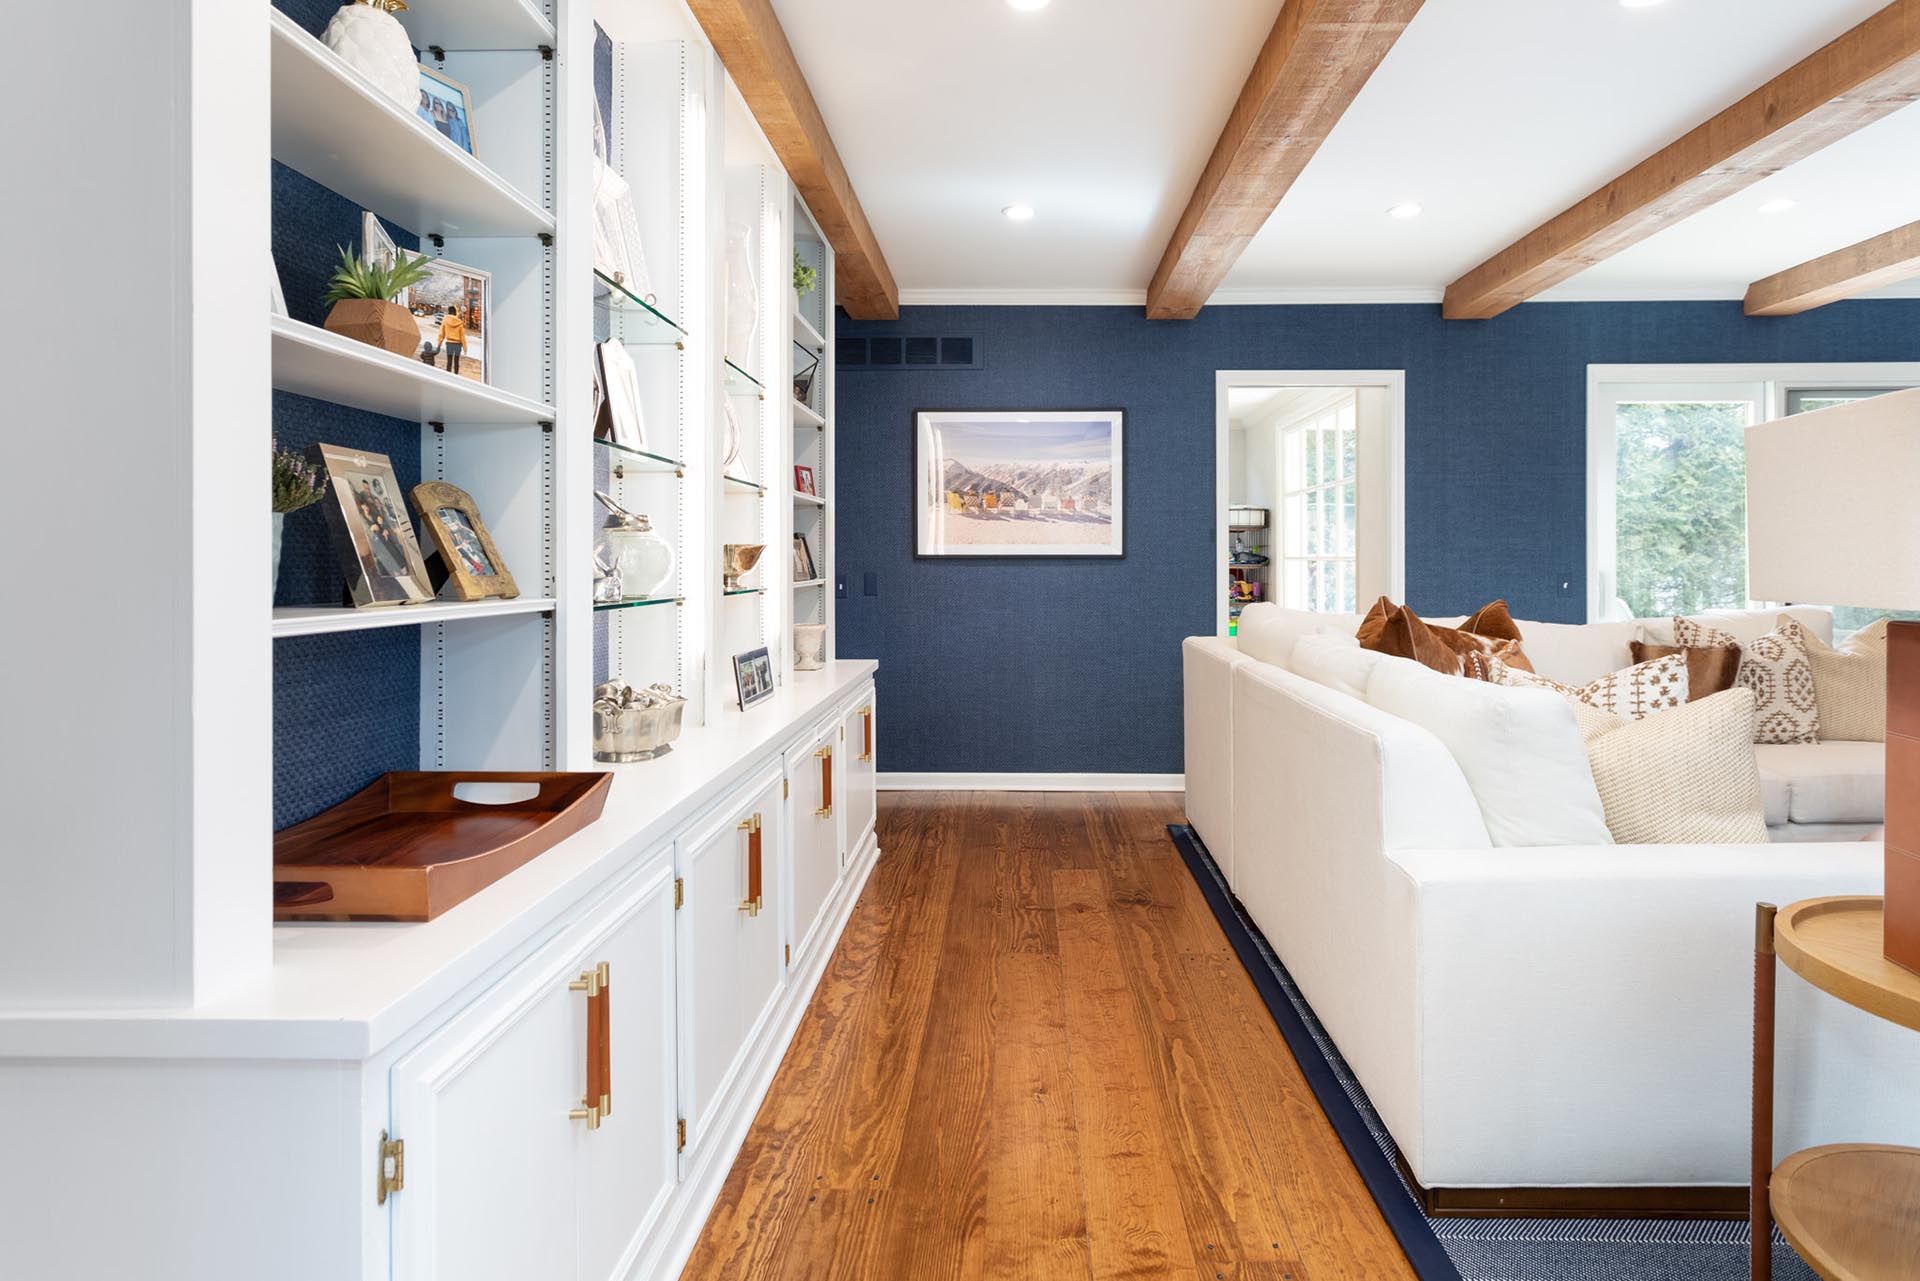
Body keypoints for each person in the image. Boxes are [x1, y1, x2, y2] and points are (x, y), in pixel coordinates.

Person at [437, 305, 466, 374]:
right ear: (455, 312)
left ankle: (448, 377)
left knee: (449, 362)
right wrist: (465, 348)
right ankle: (456, 376)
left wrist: (439, 344)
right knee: (456, 362)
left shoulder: (445, 320)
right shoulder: (459, 322)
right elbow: (462, 336)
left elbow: (441, 333)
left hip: (449, 344)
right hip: (458, 345)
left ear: (449, 312)